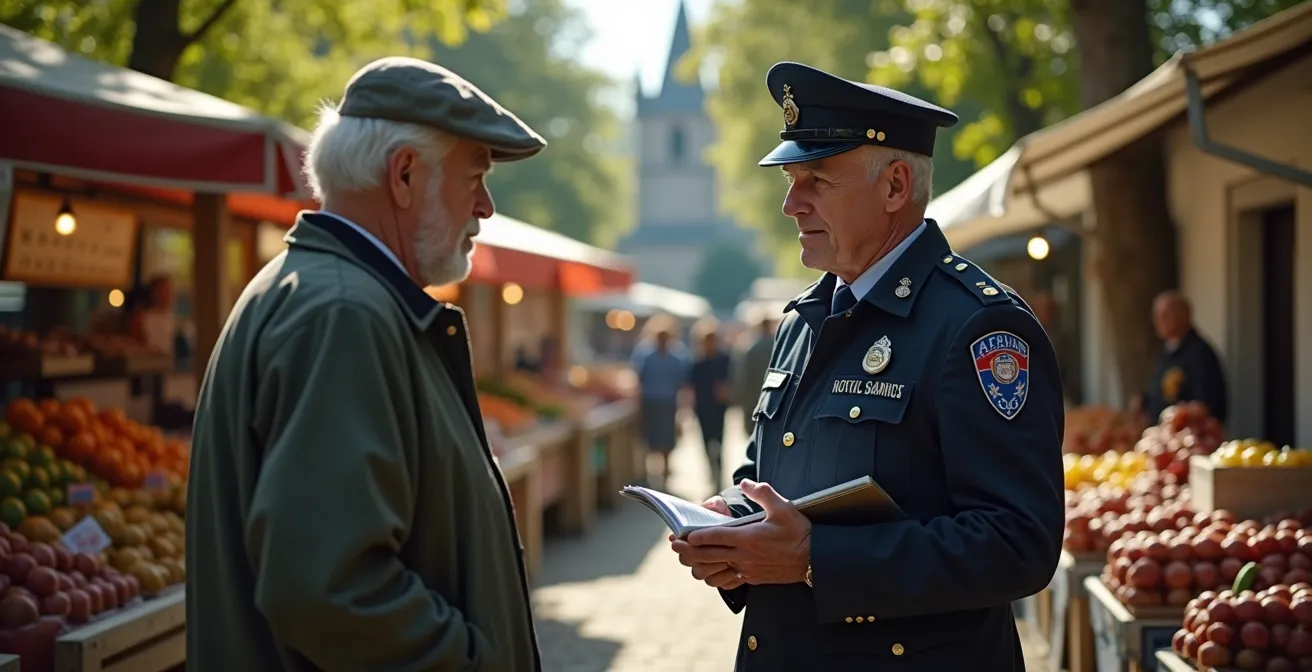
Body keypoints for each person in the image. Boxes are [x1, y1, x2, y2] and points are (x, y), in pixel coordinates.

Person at [669, 62, 1065, 670]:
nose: (789, 204)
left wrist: (812, 559)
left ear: (895, 187)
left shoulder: (977, 326)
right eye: (790, 179)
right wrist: (730, 524)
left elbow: (1019, 543)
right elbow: (769, 474)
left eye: (816, 180)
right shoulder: (803, 319)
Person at [185, 57, 547, 671]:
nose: (485, 207)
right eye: (474, 177)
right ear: (404, 174)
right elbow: (329, 591)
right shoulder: (345, 313)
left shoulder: (322, 292)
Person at [1132, 290, 1227, 424]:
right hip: (1163, 436)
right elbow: (1165, 393)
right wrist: (1145, 401)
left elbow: (1206, 404)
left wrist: (1182, 414)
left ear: (1185, 315)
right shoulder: (1167, 352)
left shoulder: (1199, 353)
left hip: (1190, 438)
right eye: (1157, 315)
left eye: (1166, 314)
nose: (1159, 320)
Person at [630, 314, 691, 484]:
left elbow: (682, 384)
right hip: (656, 402)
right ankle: (657, 471)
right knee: (655, 438)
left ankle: (660, 471)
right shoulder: (669, 356)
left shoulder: (672, 356)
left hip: (661, 402)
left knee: (661, 438)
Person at [689, 317, 732, 490]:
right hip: (702, 407)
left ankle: (719, 473)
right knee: (706, 441)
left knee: (720, 440)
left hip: (719, 406)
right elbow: (691, 386)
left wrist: (726, 391)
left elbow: (730, 380)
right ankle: (711, 471)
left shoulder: (724, 359)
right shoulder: (697, 362)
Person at [730, 311, 777, 436]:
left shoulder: (751, 348)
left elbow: (743, 377)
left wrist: (739, 398)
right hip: (776, 400)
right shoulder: (780, 345)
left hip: (753, 399)